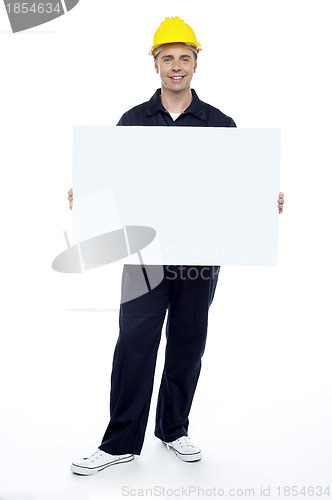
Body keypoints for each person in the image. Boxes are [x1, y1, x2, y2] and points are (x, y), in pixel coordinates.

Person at [68, 16, 285, 475]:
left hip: (200, 257)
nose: (176, 66)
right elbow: (110, 182)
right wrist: (85, 191)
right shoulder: (133, 120)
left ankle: (173, 430)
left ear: (195, 64)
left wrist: (266, 198)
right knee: (134, 343)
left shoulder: (220, 123)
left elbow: (241, 186)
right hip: (146, 260)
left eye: (185, 58)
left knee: (187, 343)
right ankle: (120, 442)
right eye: (167, 58)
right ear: (155, 64)